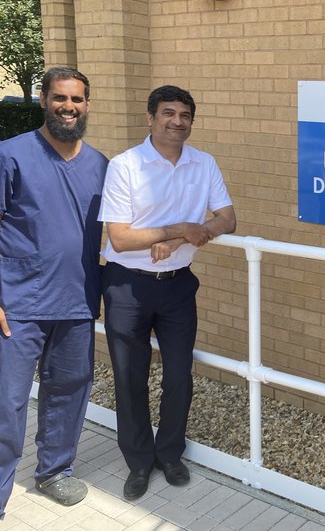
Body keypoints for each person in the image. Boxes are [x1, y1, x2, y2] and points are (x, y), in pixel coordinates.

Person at [99, 85, 236, 501]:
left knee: (179, 376)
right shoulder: (126, 166)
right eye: (168, 113)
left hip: (177, 286)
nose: (177, 121)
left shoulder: (203, 163)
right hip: (127, 287)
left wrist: (184, 240)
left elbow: (228, 218)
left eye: (185, 115)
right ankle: (139, 461)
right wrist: (179, 228)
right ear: (150, 118)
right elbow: (120, 239)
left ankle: (170, 453)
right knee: (129, 377)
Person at [0, 67, 108, 518]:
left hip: (77, 302)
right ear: (43, 100)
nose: (69, 107)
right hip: (18, 305)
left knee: (68, 390)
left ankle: (54, 471)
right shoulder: (11, 155)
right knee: (7, 403)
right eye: (60, 98)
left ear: (87, 104)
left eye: (77, 100)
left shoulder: (102, 165)